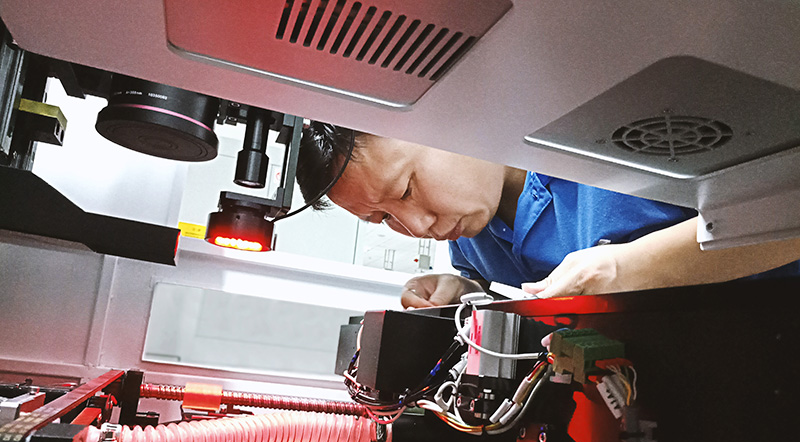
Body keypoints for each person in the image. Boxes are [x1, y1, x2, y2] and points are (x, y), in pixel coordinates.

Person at [296, 122, 800, 308]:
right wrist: (464, 291)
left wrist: (628, 268)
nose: (419, 226)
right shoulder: (470, 237)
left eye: (406, 190)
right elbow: (502, 288)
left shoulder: (601, 134)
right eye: (383, 220)